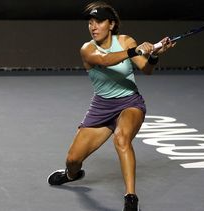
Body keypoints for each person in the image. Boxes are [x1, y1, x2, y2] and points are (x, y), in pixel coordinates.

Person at [47, 1, 175, 211]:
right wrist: (135, 51)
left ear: (112, 25)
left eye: (99, 22)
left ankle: (131, 198)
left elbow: (147, 69)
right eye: (90, 22)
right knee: (72, 159)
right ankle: (71, 175)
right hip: (101, 107)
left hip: (129, 103)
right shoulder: (87, 49)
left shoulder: (125, 41)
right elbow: (106, 60)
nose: (93, 26)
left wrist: (153, 54)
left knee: (121, 139)